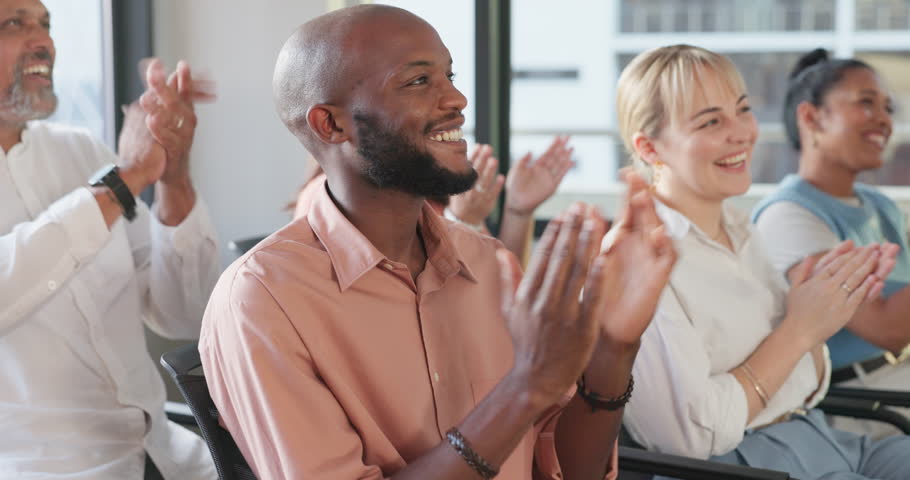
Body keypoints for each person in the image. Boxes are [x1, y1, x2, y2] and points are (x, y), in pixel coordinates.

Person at [199, 5, 676, 479]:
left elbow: (573, 470)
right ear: (332, 125)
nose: (458, 99)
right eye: (418, 82)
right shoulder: (262, 299)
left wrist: (614, 346)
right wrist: (525, 387)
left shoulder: (490, 263)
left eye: (450, 76)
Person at [611, 44, 910, 479]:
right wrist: (800, 329)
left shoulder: (741, 230)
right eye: (711, 120)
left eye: (743, 110)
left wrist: (823, 311)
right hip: (739, 466)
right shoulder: (640, 260)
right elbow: (692, 437)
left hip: (817, 436)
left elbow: (808, 383)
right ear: (650, 147)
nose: (742, 132)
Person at [0, 0, 219, 478]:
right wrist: (124, 180)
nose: (44, 41)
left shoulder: (79, 149)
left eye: (45, 23)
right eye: (15, 23)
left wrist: (172, 178)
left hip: (169, 454)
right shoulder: (110, 177)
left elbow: (181, 312)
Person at [752, 49, 910, 438]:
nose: (884, 119)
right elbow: (888, 327)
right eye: (866, 103)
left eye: (887, 108)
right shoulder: (787, 216)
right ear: (811, 117)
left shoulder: (878, 204)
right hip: (862, 402)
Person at [292, 136, 574, 262]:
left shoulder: (424, 188)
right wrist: (462, 220)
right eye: (416, 83)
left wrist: (517, 211)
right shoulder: (326, 196)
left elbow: (502, 287)